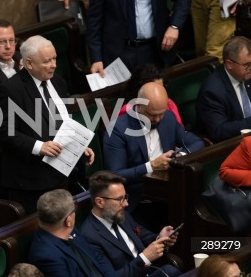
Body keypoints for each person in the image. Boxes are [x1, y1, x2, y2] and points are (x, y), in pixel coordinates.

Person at [0, 35, 95, 214]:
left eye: (54, 58)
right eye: (47, 61)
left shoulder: (58, 82)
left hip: (61, 174)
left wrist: (78, 146)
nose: (53, 65)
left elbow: (63, 122)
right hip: (30, 181)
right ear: (29, 63)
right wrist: (39, 146)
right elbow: (4, 132)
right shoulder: (11, 89)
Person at [103, 82, 204, 212]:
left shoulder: (168, 118)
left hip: (169, 190)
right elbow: (115, 175)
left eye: (160, 113)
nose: (157, 119)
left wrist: (179, 157)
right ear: (138, 107)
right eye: (152, 115)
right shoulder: (117, 130)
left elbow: (197, 143)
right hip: (137, 199)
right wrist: (151, 166)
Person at [86, 0, 190, 75]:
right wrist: (96, 58)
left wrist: (174, 26)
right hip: (118, 54)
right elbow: (94, 19)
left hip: (154, 49)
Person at [81, 171, 181, 277]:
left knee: (172, 271)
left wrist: (160, 238)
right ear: (100, 202)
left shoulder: (121, 215)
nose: (126, 204)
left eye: (125, 197)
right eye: (120, 199)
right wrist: (144, 258)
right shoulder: (89, 237)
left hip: (148, 272)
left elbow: (143, 235)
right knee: (171, 271)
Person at [28, 189, 116, 277]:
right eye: (74, 211)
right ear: (68, 220)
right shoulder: (46, 257)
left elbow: (97, 257)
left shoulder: (70, 230)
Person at [196, 36, 251, 143]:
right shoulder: (212, 91)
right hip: (231, 146)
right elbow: (219, 131)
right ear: (229, 64)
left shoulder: (246, 74)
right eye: (247, 65)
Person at [118, 64, 183, 126]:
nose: (159, 93)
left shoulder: (169, 103)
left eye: (161, 88)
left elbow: (180, 130)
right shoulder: (128, 111)